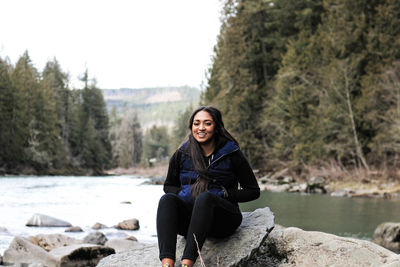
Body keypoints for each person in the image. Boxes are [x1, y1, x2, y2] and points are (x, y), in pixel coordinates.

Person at [156, 106, 260, 267]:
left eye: (207, 123)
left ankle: (187, 263)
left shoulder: (231, 153)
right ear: (191, 127)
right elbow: (169, 186)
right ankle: (167, 263)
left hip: (223, 221)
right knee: (167, 200)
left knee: (205, 198)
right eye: (196, 123)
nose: (201, 128)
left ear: (217, 127)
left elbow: (253, 191)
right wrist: (185, 193)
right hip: (192, 222)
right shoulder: (182, 153)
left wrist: (224, 194)